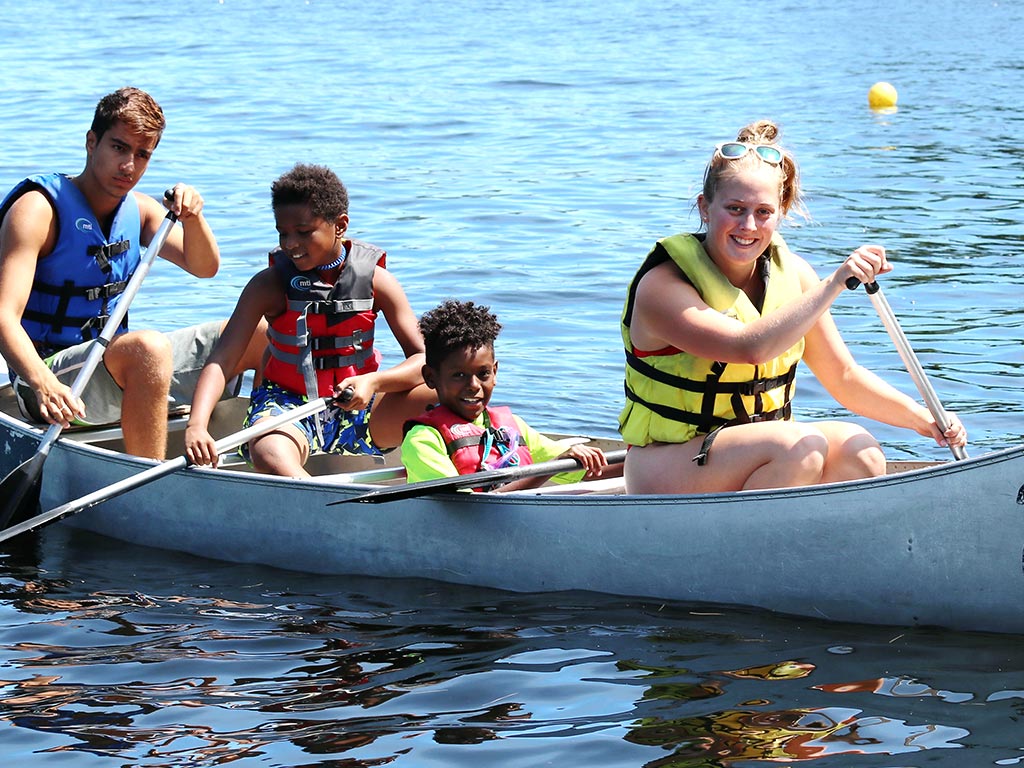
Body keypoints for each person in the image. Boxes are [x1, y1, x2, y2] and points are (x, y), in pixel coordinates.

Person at [618, 119, 967, 494]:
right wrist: (835, 283)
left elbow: (844, 377)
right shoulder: (663, 286)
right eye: (735, 209)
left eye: (763, 212)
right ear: (705, 208)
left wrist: (924, 418)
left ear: (780, 212)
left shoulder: (795, 274)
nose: (748, 225)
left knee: (860, 449)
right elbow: (748, 348)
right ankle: (750, 549)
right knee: (797, 448)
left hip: (755, 453)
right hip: (667, 463)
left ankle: (812, 545)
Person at [0, 86, 263, 459]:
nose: (129, 166)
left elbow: (205, 268)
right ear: (92, 143)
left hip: (112, 365)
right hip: (47, 379)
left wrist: (193, 218)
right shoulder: (39, 210)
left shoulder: (138, 210)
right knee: (147, 348)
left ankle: (265, 452)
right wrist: (42, 383)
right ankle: (147, 479)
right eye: (119, 148)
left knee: (260, 333)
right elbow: (2, 317)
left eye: (143, 155)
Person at [184, 163, 435, 477]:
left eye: (303, 232)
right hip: (287, 409)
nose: (290, 243)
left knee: (443, 400)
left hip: (360, 402)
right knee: (268, 451)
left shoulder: (377, 281)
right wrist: (197, 425)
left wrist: (373, 382)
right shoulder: (268, 285)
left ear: (339, 226)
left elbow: (426, 360)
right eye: (283, 233)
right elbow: (221, 360)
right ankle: (322, 502)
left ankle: (459, 485)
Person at [401, 299, 608, 490]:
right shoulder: (422, 440)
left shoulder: (513, 427)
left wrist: (636, 455)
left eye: (483, 373)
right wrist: (551, 468)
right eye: (459, 375)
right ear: (430, 377)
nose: (473, 385)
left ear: (495, 372)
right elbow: (473, 509)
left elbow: (588, 472)